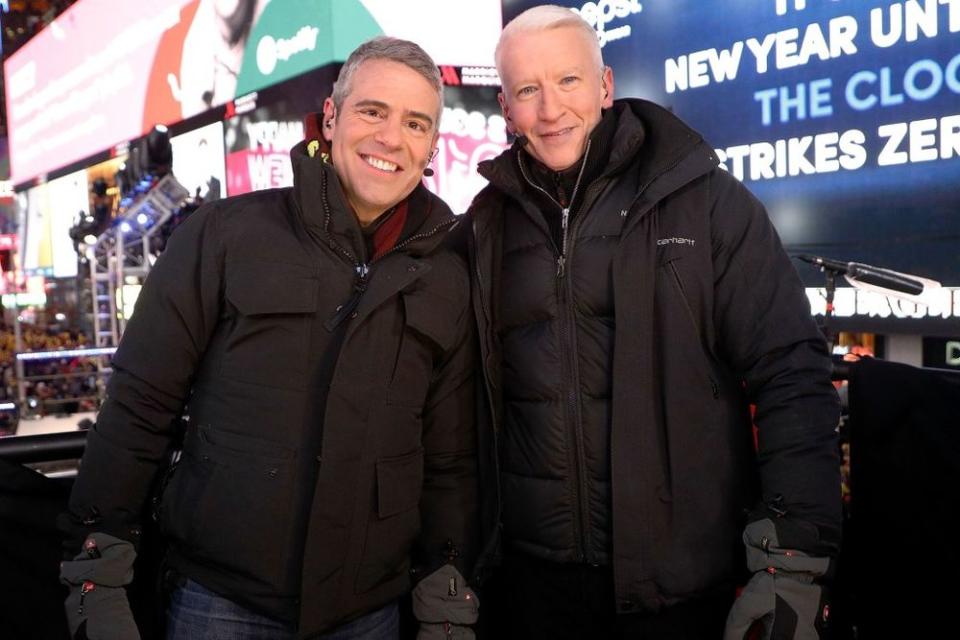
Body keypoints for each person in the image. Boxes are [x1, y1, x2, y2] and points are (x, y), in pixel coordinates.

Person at [59, 36, 479, 639]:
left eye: (416, 123)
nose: (392, 137)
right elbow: (137, 408)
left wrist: (447, 591)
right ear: (331, 118)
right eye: (372, 111)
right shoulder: (225, 236)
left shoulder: (447, 275)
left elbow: (448, 459)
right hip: (219, 604)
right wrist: (95, 567)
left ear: (432, 146)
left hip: (370, 613)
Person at [467, 6, 841, 639]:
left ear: (605, 86)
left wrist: (795, 556)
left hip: (682, 587)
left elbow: (790, 372)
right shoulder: (483, 225)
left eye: (568, 81)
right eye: (528, 90)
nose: (551, 108)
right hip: (530, 591)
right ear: (506, 108)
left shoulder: (703, 200)